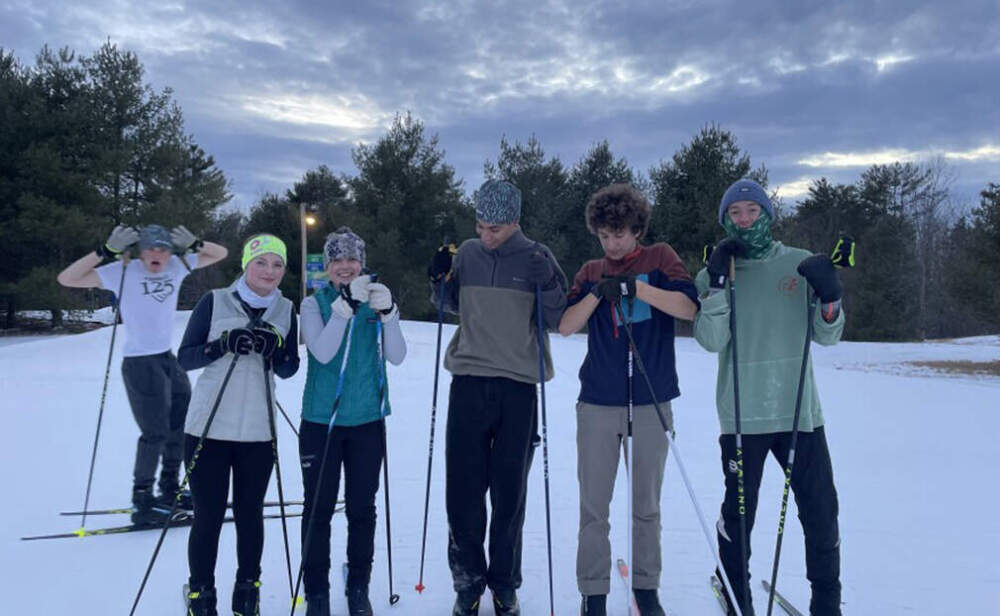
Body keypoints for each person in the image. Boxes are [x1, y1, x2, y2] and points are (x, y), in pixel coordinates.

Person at [693, 179, 845, 616]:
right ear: (725, 220)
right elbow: (709, 339)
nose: (743, 221)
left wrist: (831, 299)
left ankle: (827, 603)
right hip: (744, 417)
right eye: (734, 213)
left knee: (820, 513)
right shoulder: (716, 271)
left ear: (767, 215)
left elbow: (826, 334)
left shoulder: (800, 265)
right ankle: (737, 596)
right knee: (740, 518)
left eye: (751, 211)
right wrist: (718, 285)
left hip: (800, 413)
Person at [428, 179, 568, 616]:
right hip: (469, 379)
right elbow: (448, 304)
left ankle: (505, 584)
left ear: (515, 222)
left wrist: (547, 284)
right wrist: (438, 278)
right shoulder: (467, 253)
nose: (486, 236)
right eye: (481, 226)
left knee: (509, 494)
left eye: (496, 229)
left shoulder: (537, 256)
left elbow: (558, 316)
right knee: (463, 492)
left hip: (518, 385)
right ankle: (468, 582)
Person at [557, 184, 699, 616]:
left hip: (651, 400)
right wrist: (598, 292)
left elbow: (688, 308)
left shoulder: (660, 258)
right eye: (604, 235)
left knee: (646, 506)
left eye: (619, 234)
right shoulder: (591, 269)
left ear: (636, 229)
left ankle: (646, 588)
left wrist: (639, 291)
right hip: (599, 401)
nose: (612, 243)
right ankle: (593, 592)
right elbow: (565, 325)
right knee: (594, 506)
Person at [57, 224, 227, 525]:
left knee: (180, 425)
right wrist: (104, 252)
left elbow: (220, 254)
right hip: (139, 362)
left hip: (167, 359)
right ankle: (143, 499)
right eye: (150, 248)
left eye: (163, 248)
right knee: (155, 432)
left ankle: (170, 488)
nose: (157, 254)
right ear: (140, 251)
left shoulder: (177, 266)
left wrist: (196, 243)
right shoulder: (123, 271)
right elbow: (67, 278)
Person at [176, 234, 300, 616]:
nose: (269, 271)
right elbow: (185, 358)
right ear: (246, 265)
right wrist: (222, 345)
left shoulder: (286, 308)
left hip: (257, 433)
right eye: (261, 262)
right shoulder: (214, 301)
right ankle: (201, 594)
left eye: (277, 264)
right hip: (208, 428)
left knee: (251, 516)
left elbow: (290, 366)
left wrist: (274, 351)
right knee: (208, 516)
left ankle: (248, 592)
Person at [297, 227, 407, 616]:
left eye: (352, 259)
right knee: (319, 509)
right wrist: (342, 310)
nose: (346, 266)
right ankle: (317, 593)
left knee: (362, 509)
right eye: (337, 260)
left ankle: (358, 586)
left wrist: (390, 315)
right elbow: (323, 353)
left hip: (367, 421)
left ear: (362, 262)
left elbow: (396, 356)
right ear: (327, 267)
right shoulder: (314, 305)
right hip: (321, 422)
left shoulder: (374, 301)